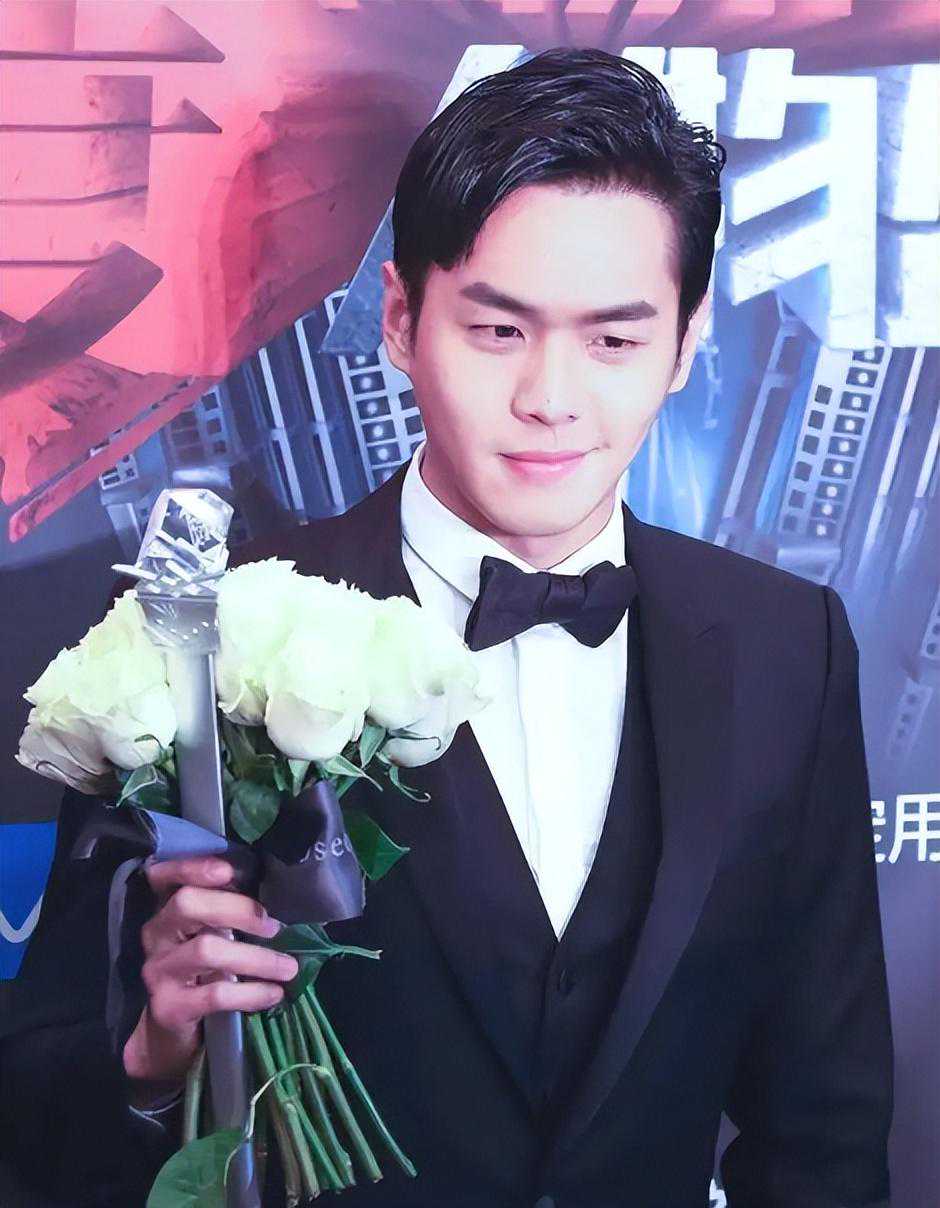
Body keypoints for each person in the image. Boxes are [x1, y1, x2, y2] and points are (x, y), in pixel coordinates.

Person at [1, 47, 893, 1208]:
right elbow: (41, 1117)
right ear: (400, 317)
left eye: (614, 339)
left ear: (683, 344)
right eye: (498, 330)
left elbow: (824, 1122)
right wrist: (151, 1055)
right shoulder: (200, 637)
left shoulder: (787, 644)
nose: (550, 399)